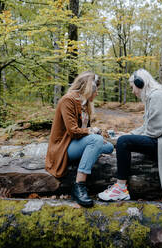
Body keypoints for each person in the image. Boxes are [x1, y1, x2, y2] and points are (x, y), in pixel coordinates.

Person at [98, 68, 162, 201]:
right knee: (124, 139)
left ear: (140, 83)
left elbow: (154, 130)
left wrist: (127, 139)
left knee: (123, 142)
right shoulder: (153, 97)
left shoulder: (157, 96)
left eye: (132, 87)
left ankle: (120, 188)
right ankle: (120, 188)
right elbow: (148, 126)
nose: (133, 91)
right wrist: (130, 134)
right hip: (161, 140)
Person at [45, 71, 114, 207]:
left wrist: (95, 135)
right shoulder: (68, 100)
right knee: (97, 141)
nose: (97, 93)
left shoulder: (84, 103)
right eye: (96, 90)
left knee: (109, 147)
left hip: (75, 144)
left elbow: (84, 130)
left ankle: (89, 152)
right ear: (89, 88)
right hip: (63, 147)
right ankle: (79, 185)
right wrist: (93, 133)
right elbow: (73, 131)